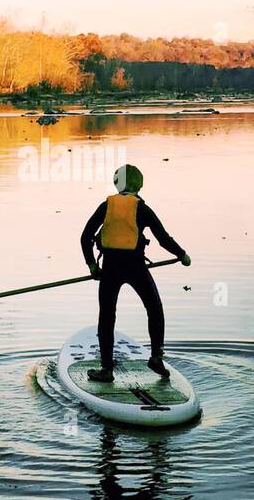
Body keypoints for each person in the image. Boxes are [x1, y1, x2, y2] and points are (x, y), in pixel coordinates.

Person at [79, 164, 191, 383]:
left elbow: (85, 237)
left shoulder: (106, 206)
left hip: (111, 268)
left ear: (116, 183)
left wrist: (92, 266)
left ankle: (106, 369)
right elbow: (163, 238)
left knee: (107, 316)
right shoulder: (142, 209)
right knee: (155, 308)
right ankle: (156, 358)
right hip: (136, 267)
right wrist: (182, 255)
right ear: (139, 185)